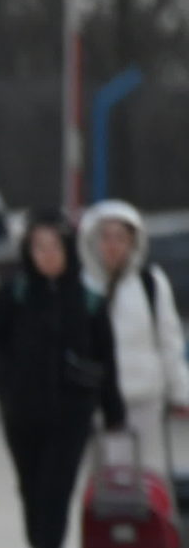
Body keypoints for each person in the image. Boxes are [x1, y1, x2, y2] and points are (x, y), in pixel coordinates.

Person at [0, 211, 127, 548]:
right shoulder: (13, 295)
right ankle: (41, 547)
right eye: (39, 247)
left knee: (57, 487)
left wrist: (113, 410)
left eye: (55, 247)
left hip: (72, 412)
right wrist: (4, 375)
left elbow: (105, 357)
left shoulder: (88, 299)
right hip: (22, 411)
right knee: (31, 488)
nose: (48, 255)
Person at [77, 199, 187, 468]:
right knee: (104, 480)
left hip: (145, 399)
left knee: (147, 476)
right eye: (106, 237)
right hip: (95, 401)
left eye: (121, 238)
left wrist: (181, 393)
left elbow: (169, 340)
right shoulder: (82, 286)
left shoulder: (150, 283)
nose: (113, 246)